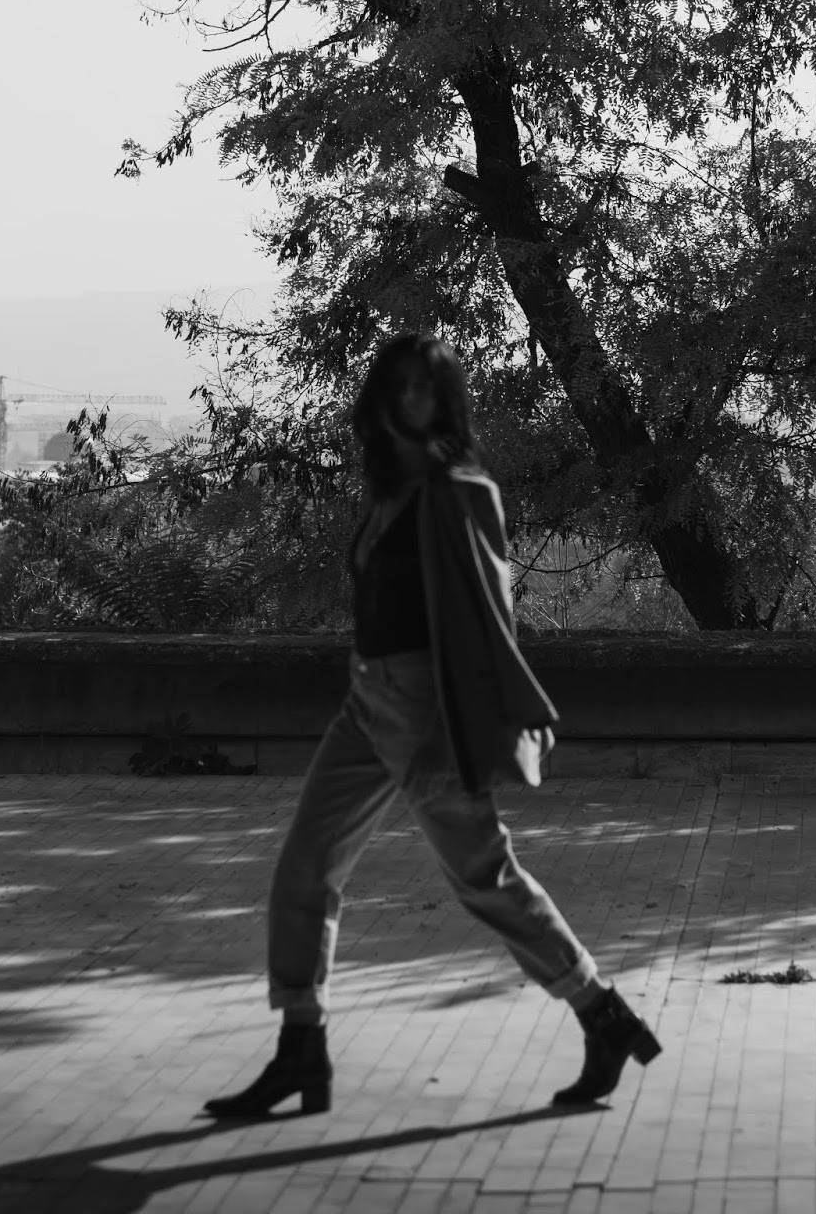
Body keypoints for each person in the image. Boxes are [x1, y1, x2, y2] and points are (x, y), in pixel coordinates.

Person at [205, 333, 660, 1118]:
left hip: (426, 710)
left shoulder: (460, 492)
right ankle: (301, 1047)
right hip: (365, 703)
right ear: (380, 396)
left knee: (483, 877)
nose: (413, 397)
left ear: (444, 400)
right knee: (304, 869)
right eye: (402, 384)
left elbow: (490, 619)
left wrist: (497, 719)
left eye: (427, 386)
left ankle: (603, 1014)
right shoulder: (388, 489)